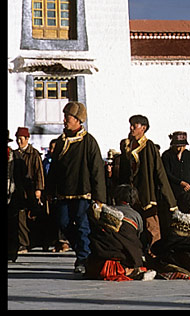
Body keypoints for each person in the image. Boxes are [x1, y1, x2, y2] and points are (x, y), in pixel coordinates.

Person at [46, 101, 107, 274]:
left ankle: (83, 258)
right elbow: (55, 169)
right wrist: (50, 190)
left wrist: (99, 196)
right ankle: (82, 249)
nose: (65, 120)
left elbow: (97, 170)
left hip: (83, 191)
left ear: (78, 119)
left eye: (68, 117)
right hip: (63, 192)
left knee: (82, 225)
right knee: (63, 223)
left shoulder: (88, 141)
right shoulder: (61, 141)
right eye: (65, 116)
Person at [118, 115, 177, 250]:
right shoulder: (127, 146)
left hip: (146, 193)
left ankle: (155, 254)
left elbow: (159, 171)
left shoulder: (148, 146)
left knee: (152, 226)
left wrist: (170, 200)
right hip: (130, 194)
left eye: (135, 125)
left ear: (143, 128)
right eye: (131, 125)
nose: (131, 128)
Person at [85, 185, 156, 281]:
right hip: (120, 261)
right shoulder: (135, 215)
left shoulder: (105, 212)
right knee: (133, 249)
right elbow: (136, 237)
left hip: (97, 264)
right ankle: (131, 271)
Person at [14, 127, 45, 253]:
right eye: (17, 139)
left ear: (27, 139)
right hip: (19, 190)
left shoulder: (34, 154)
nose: (19, 142)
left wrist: (39, 189)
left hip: (31, 189)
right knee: (21, 216)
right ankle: (23, 243)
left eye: (21, 139)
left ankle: (39, 241)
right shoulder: (15, 154)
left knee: (34, 216)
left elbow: (39, 172)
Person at [8, 131, 29, 262]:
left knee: (12, 224)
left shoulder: (14, 156)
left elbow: (22, 177)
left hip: (12, 194)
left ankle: (11, 251)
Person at [161, 132, 190, 201]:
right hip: (172, 189)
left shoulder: (188, 155)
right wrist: (180, 182)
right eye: (177, 146)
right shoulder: (167, 155)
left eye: (182, 146)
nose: (180, 149)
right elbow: (167, 173)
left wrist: (189, 185)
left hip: (187, 190)